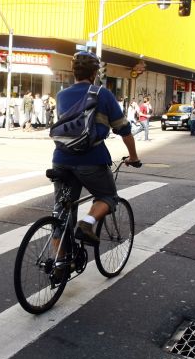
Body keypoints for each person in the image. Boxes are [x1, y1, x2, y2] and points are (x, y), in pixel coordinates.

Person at [52, 51, 140, 246]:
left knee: (61, 214)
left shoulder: (61, 95)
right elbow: (124, 130)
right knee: (107, 196)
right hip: (92, 159)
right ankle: (87, 223)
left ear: (73, 72)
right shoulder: (103, 94)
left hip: (61, 159)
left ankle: (59, 265)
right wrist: (133, 157)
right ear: (94, 74)